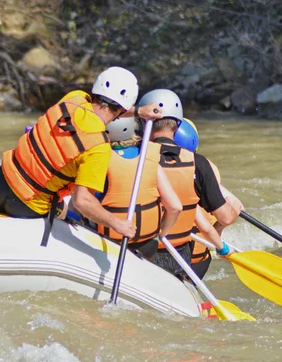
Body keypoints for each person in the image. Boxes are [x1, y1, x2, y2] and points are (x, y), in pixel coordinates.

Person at [0, 67, 162, 246]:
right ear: (123, 107)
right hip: (26, 205)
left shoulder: (74, 98)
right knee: (68, 211)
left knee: (61, 203)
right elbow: (82, 201)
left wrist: (139, 111)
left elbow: (107, 109)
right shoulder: (99, 147)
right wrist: (118, 224)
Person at [139, 89, 240, 275]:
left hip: (140, 252)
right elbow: (226, 217)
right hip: (183, 258)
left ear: (143, 122)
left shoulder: (135, 156)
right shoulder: (199, 163)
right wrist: (220, 242)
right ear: (178, 125)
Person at [95, 117, 182, 260]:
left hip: (109, 242)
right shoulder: (148, 159)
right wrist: (162, 233)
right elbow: (175, 207)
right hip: (147, 245)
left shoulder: (100, 159)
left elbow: (82, 203)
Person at [173, 118, 244, 278]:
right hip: (200, 258)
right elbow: (225, 217)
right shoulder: (207, 168)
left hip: (176, 256)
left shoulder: (159, 169)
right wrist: (220, 243)